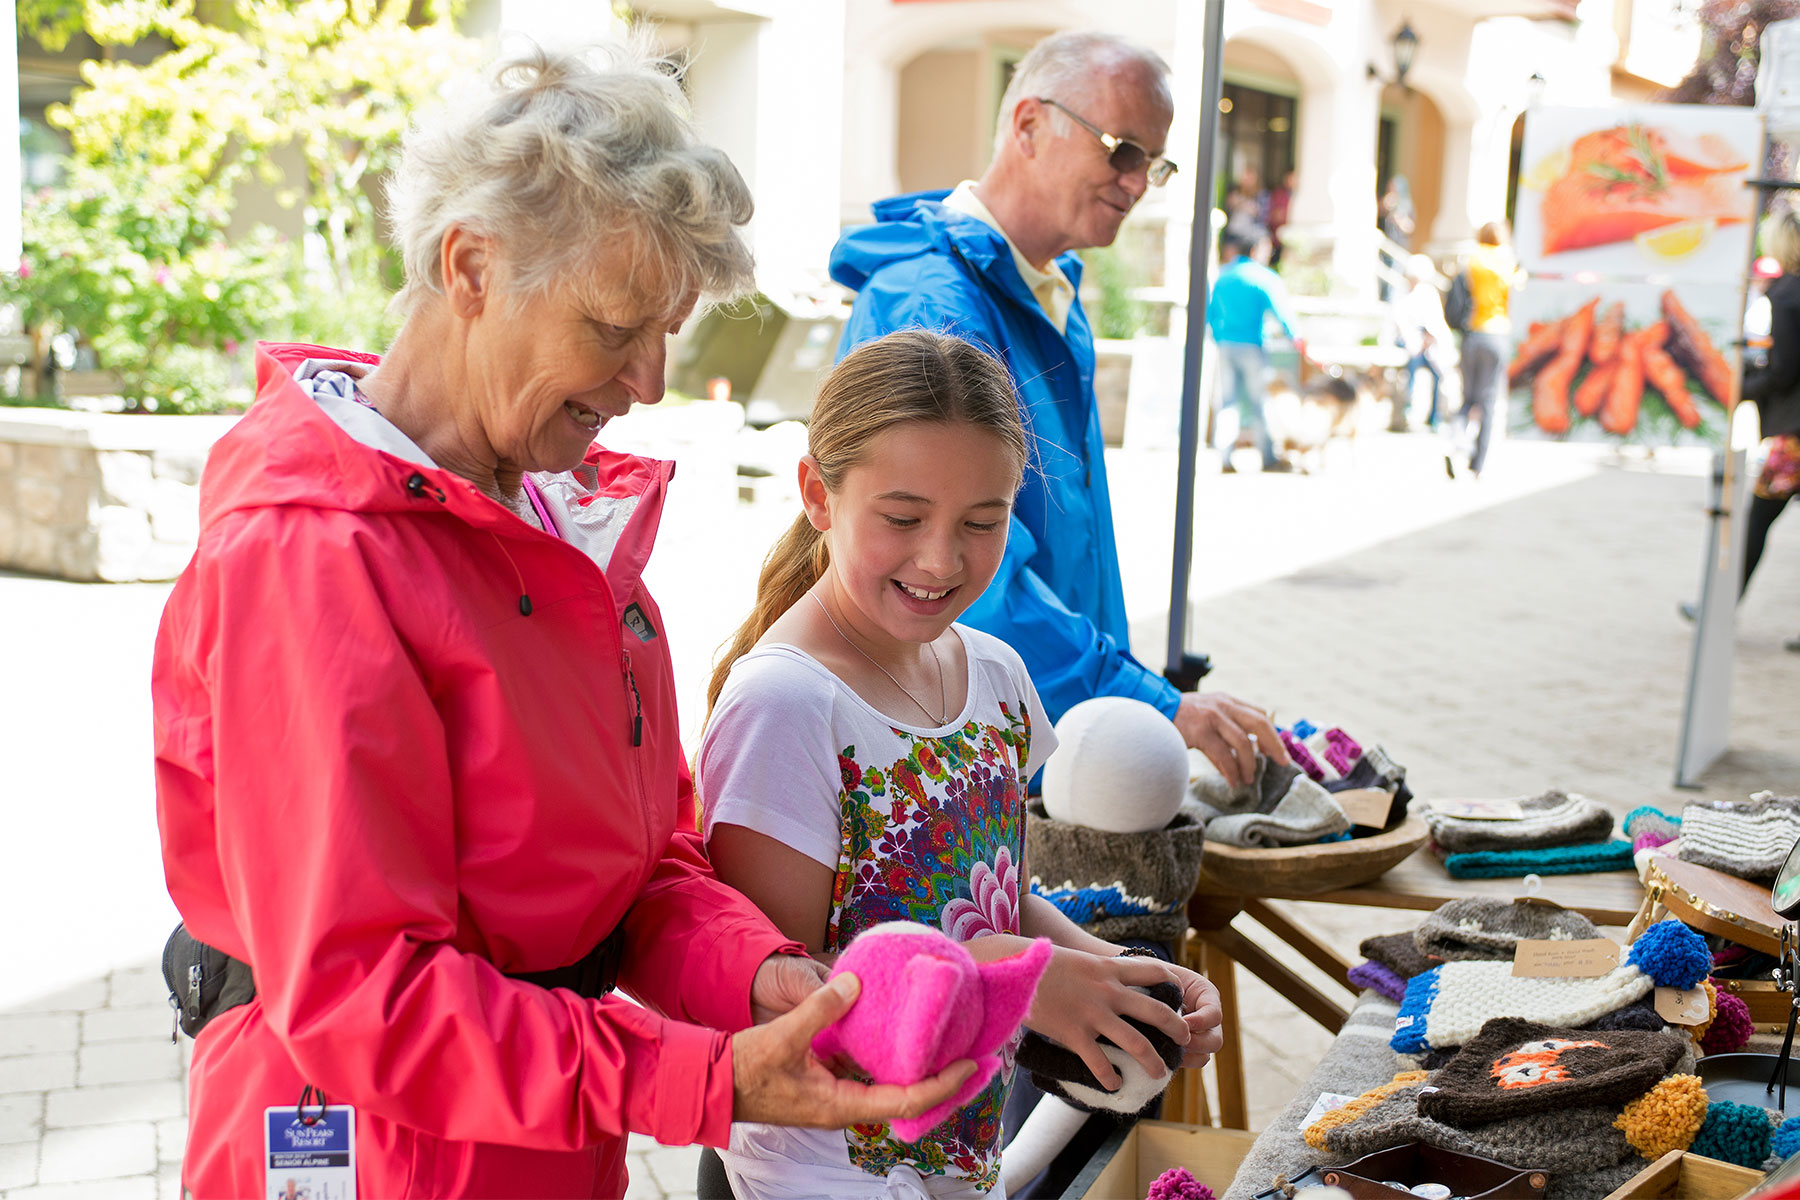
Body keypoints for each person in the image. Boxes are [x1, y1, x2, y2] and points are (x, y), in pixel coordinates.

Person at [152, 44, 970, 1200]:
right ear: (471, 266)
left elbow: (637, 873)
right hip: (372, 1150)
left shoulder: (550, 517)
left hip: (538, 1136)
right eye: (615, 324)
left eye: (667, 331)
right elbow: (363, 998)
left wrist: (766, 981)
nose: (648, 378)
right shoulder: (312, 553)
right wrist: (704, 1079)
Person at [698, 330, 1225, 1199]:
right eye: (902, 519)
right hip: (825, 1174)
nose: (941, 559)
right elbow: (780, 995)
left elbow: (996, 898)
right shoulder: (787, 706)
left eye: (983, 523)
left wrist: (1120, 980)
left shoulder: (997, 676)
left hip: (962, 1158)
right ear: (817, 495)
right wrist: (1020, 991)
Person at [828, 30, 1288, 792]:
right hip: (949, 750)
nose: (1139, 183)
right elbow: (959, 578)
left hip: (1032, 730)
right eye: (1122, 150)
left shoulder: (1048, 293)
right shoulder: (933, 303)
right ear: (1029, 125)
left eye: (1155, 163)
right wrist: (1148, 702)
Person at [1209, 226, 1302, 473]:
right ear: (1254, 248)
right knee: (1260, 401)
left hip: (1226, 345)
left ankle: (1224, 456)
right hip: (1251, 346)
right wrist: (1296, 337)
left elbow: (1211, 312)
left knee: (1227, 402)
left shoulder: (1223, 275)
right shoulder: (1263, 277)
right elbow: (1283, 312)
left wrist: (1219, 336)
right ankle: (1268, 456)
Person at [1448, 220, 1517, 480]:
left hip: (1473, 334)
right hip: (1498, 334)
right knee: (1488, 402)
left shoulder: (1471, 260)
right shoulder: (1508, 261)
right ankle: (1477, 465)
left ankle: (1455, 442)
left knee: (1468, 398)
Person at [1394, 254, 1454, 430]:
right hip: (1411, 344)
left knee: (1437, 374)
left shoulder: (1429, 294)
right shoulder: (1404, 295)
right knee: (1411, 369)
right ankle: (1408, 410)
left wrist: (1427, 340)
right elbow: (1401, 323)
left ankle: (1435, 416)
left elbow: (1435, 322)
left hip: (1430, 344)